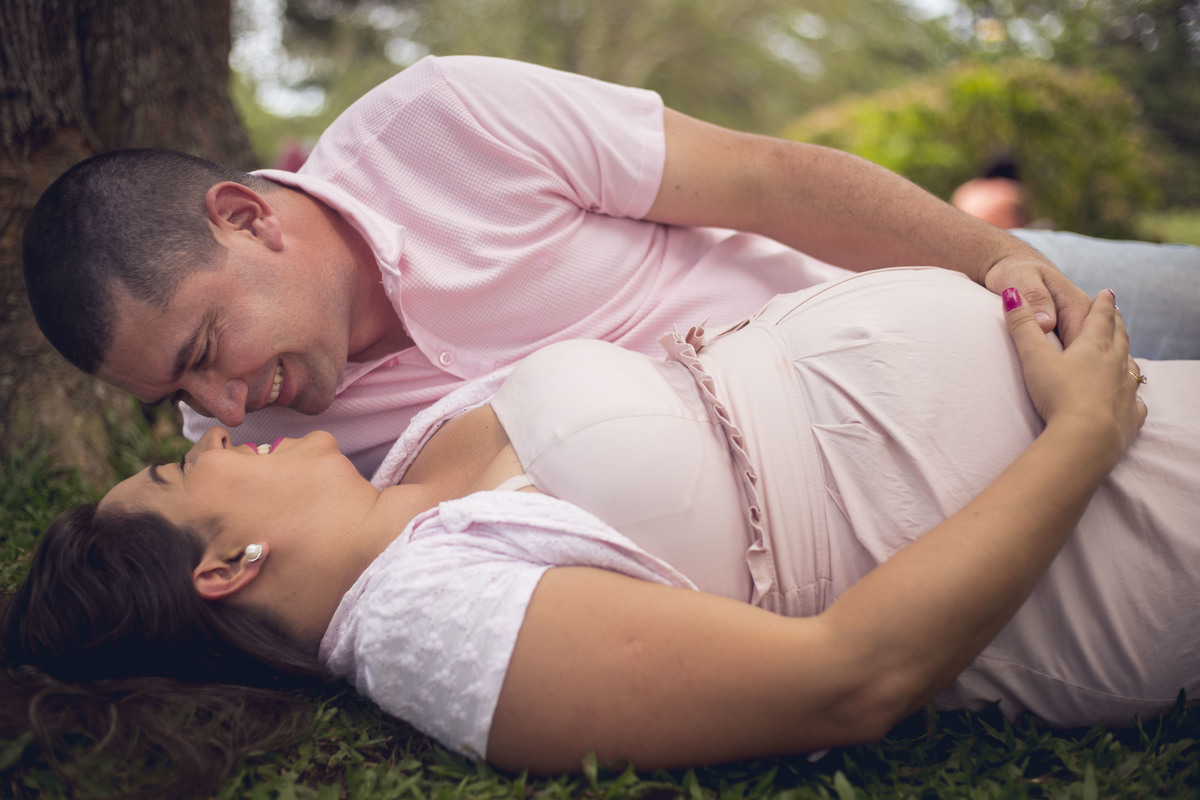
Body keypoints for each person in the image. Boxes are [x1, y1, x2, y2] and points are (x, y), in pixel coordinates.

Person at [5, 267, 1196, 777]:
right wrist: (1082, 434)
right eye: (176, 476)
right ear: (227, 568)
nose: (205, 438)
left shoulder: (399, 476)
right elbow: (850, 677)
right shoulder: (429, 628)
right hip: (1111, 517)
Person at [21, 55, 1200, 476]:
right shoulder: (260, 457)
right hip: (886, 441)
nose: (218, 411)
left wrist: (995, 262)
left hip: (949, 291)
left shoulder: (445, 120)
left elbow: (765, 181)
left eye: (203, 354)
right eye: (175, 398)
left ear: (244, 215)